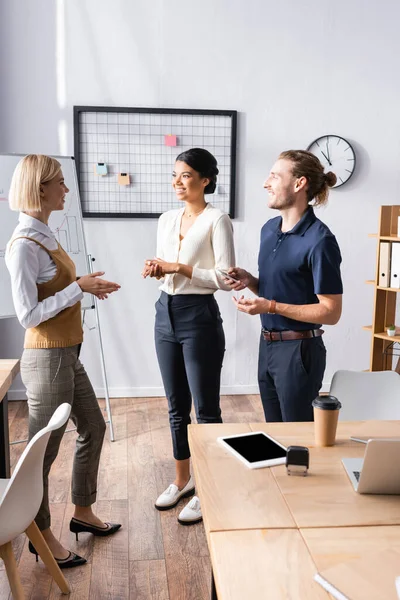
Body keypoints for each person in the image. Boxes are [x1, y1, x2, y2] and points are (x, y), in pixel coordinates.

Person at [5, 155, 122, 568]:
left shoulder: (46, 235)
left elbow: (63, 290)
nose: (65, 190)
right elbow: (28, 315)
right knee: (43, 451)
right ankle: (39, 535)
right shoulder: (23, 245)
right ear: (40, 189)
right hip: (46, 357)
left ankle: (83, 512)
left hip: (67, 352)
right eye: (59, 183)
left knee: (94, 426)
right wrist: (78, 288)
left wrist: (87, 288)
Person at [142, 148, 235, 525]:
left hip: (199, 317)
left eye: (185, 176)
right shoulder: (166, 219)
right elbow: (167, 270)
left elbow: (226, 278)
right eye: (175, 175)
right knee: (175, 406)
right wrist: (157, 269)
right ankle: (182, 481)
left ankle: (208, 485)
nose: (177, 182)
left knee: (206, 410)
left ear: (205, 180)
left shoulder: (218, 219)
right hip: (164, 313)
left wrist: (179, 266)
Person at [225, 150, 342, 422]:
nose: (266, 183)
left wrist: (271, 306)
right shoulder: (269, 229)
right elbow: (283, 288)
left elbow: (331, 312)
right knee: (275, 434)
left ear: (299, 184)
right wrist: (251, 282)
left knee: (296, 439)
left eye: (275, 176)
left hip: (299, 352)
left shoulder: (320, 240)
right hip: (267, 346)